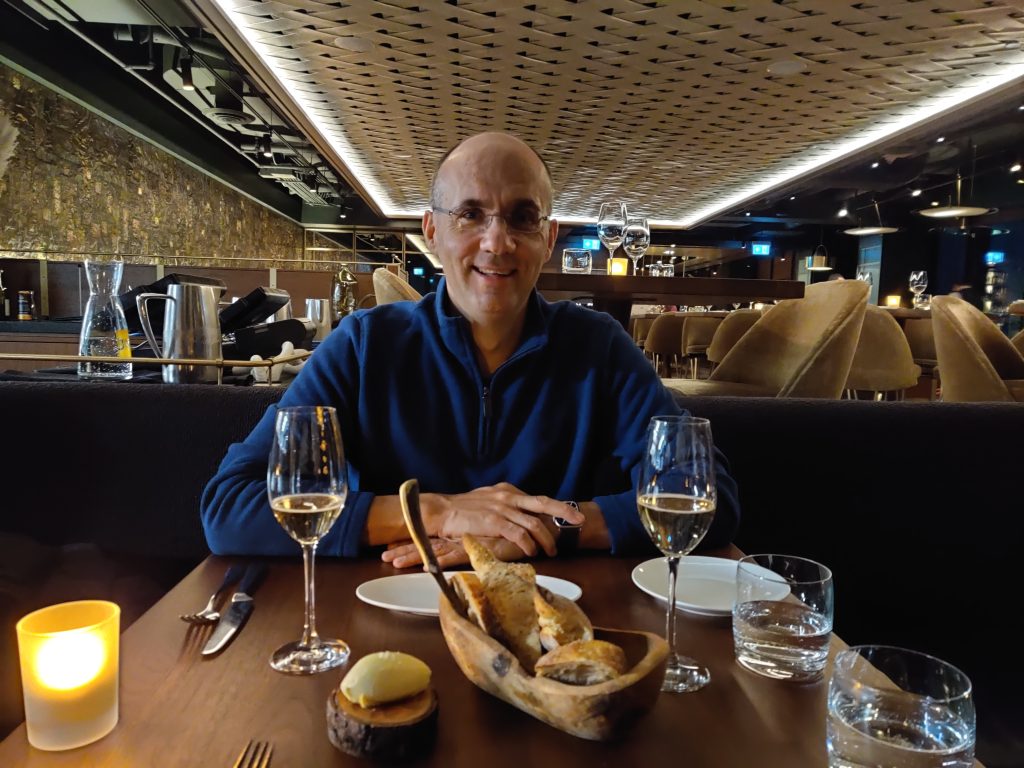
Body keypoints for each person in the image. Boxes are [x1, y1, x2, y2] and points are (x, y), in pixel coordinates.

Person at [201, 132, 739, 567]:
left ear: (548, 239)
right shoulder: (364, 345)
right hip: (384, 613)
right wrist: (439, 512)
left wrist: (542, 529)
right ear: (432, 231)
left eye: (522, 217)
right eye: (470, 214)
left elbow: (708, 496)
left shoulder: (598, 346)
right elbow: (230, 506)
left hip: (556, 621)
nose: (497, 242)